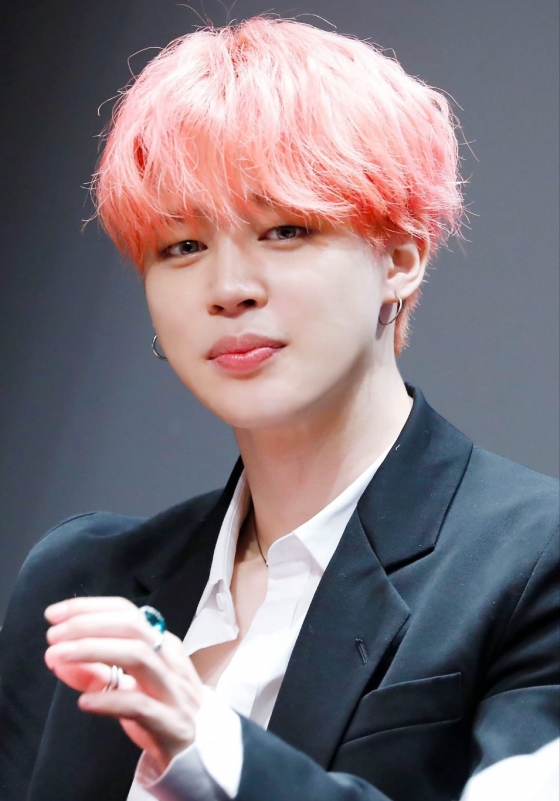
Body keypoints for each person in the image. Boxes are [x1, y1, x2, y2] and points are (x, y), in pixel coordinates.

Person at [0, 16, 558, 801]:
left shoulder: (533, 562)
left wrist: (208, 742)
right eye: (181, 246)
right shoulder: (81, 577)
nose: (228, 288)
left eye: (285, 230)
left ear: (400, 258)